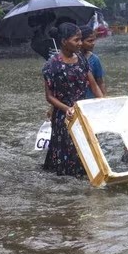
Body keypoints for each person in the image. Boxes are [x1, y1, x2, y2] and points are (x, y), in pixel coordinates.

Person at [42, 23, 103, 177]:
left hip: (83, 112)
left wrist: (103, 102)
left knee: (89, 150)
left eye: (81, 39)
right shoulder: (51, 65)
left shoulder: (82, 60)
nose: (80, 43)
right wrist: (66, 108)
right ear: (64, 41)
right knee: (66, 154)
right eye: (76, 40)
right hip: (65, 116)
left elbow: (94, 85)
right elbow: (49, 96)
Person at [79, 25, 107, 98]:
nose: (93, 43)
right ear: (80, 41)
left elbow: (100, 82)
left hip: (90, 100)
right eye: (89, 41)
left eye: (94, 40)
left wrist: (104, 98)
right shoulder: (70, 60)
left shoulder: (94, 59)